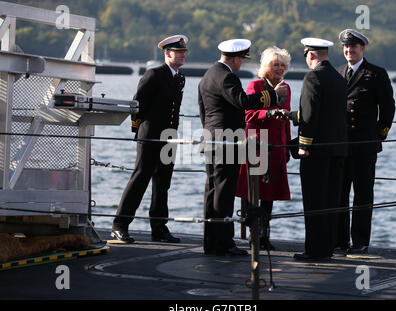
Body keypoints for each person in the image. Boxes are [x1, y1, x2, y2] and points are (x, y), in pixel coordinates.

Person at [198, 39, 288, 256]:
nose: (241, 64)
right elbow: (243, 102)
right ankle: (224, 242)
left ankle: (211, 240)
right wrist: (275, 96)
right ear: (236, 58)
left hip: (213, 139)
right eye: (241, 59)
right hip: (227, 141)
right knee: (224, 193)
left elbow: (203, 111)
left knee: (212, 191)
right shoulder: (227, 76)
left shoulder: (209, 74)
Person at [111, 35, 188, 243]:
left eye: (183, 52)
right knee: (140, 178)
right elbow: (137, 105)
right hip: (150, 135)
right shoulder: (154, 74)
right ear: (167, 53)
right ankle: (120, 225)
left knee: (163, 183)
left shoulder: (180, 78)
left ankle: (159, 228)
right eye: (178, 51)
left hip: (169, 136)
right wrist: (139, 132)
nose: (182, 55)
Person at [336, 29, 396, 254]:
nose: (349, 50)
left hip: (364, 145)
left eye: (353, 47)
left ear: (362, 48)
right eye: (346, 47)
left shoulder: (376, 74)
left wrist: (380, 134)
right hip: (341, 144)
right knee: (340, 194)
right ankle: (339, 240)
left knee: (362, 195)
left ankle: (360, 241)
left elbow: (388, 107)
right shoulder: (339, 72)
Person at [290, 38, 348, 261]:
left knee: (314, 201)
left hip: (317, 152)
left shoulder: (313, 77)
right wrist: (294, 116)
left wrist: (304, 145)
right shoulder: (338, 78)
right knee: (331, 202)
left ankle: (314, 250)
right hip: (338, 149)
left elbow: (310, 115)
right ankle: (328, 249)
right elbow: (331, 114)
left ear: (310, 55)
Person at [235, 46, 292, 251]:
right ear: (266, 67)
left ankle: (265, 235)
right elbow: (247, 115)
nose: (279, 68)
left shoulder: (286, 87)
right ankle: (253, 236)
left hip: (277, 146)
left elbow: (286, 120)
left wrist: (287, 146)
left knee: (270, 195)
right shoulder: (255, 85)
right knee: (253, 193)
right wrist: (268, 114)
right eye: (275, 65)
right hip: (257, 145)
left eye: (282, 65)